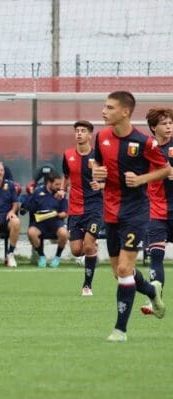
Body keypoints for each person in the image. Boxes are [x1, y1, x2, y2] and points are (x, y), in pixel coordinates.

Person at [92, 91, 168, 342]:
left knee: (125, 268)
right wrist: (98, 173)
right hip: (110, 210)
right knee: (119, 272)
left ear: (125, 112)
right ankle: (152, 291)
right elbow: (96, 163)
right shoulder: (101, 136)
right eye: (104, 106)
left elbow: (165, 169)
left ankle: (120, 330)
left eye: (109, 107)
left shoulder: (145, 142)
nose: (104, 111)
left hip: (136, 211)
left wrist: (141, 179)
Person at [62, 120, 104, 296]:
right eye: (77, 130)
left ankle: (87, 285)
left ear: (90, 135)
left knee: (88, 245)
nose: (79, 133)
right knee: (76, 250)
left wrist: (100, 185)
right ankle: (92, 250)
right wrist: (62, 190)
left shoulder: (98, 157)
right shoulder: (68, 155)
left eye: (83, 131)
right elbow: (66, 176)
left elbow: (110, 180)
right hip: (75, 209)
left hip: (95, 207)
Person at [142, 107, 173, 315]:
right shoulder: (146, 150)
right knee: (156, 257)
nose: (169, 127)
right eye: (164, 123)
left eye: (170, 123)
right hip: (157, 212)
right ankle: (154, 301)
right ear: (154, 127)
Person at [24, 171, 68, 268]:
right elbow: (29, 208)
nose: (59, 187)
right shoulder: (38, 192)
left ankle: (57, 257)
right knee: (31, 233)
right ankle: (41, 256)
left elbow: (65, 213)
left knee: (64, 233)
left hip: (55, 222)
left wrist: (56, 214)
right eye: (56, 184)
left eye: (60, 184)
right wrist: (30, 196)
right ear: (49, 183)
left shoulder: (61, 194)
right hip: (40, 223)